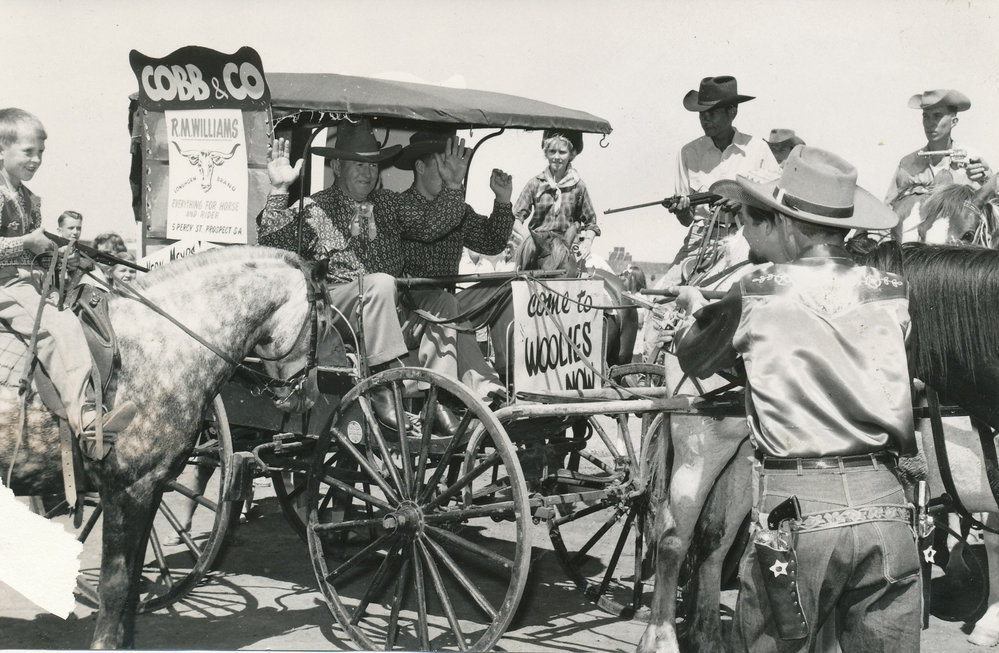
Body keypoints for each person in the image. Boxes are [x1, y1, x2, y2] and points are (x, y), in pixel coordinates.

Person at [672, 146, 919, 651]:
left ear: (788, 223)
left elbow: (696, 360)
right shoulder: (892, 290)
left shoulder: (759, 288)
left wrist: (694, 312)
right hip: (888, 511)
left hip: (798, 521)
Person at [257, 120, 474, 431]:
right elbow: (270, 247)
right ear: (336, 166)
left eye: (372, 164)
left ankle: (436, 399)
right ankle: (385, 387)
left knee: (442, 302)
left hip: (388, 312)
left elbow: (431, 226)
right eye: (358, 164)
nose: (367, 172)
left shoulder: (387, 204)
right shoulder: (316, 208)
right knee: (381, 284)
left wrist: (453, 186)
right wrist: (279, 189)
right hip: (337, 315)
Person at [0, 108, 133, 438]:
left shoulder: (31, 199)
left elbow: (38, 255)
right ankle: (85, 417)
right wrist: (27, 243)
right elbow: (21, 246)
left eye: (41, 153)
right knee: (61, 326)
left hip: (30, 284)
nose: (36, 160)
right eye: (28, 152)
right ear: (1, 149)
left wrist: (57, 255)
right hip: (6, 286)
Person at [393, 130, 514, 404]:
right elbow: (430, 228)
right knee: (447, 303)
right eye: (443, 165)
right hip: (408, 310)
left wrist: (503, 201)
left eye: (454, 165)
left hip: (447, 305)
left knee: (505, 287)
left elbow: (492, 241)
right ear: (420, 167)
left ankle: (503, 380)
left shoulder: (457, 209)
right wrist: (453, 188)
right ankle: (475, 390)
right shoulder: (400, 205)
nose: (451, 171)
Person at [665, 76, 781, 266]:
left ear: (732, 112)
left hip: (749, 236)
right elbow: (687, 221)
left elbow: (778, 201)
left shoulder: (757, 149)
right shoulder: (688, 153)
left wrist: (745, 203)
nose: (705, 119)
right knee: (667, 288)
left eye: (712, 113)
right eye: (702, 113)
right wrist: (681, 212)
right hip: (701, 238)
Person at [885, 89, 992, 235]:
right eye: (925, 116)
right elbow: (889, 209)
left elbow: (990, 208)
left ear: (954, 121)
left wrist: (985, 179)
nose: (929, 124)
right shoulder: (908, 164)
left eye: (937, 116)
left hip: (957, 247)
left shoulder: (971, 159)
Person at [511, 129, 598, 269]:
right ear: (546, 153)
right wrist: (529, 238)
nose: (557, 157)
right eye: (552, 151)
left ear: (571, 155)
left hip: (567, 247)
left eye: (562, 152)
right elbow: (515, 218)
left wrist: (587, 242)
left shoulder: (579, 186)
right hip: (538, 248)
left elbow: (591, 223)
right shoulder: (535, 183)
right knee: (520, 281)